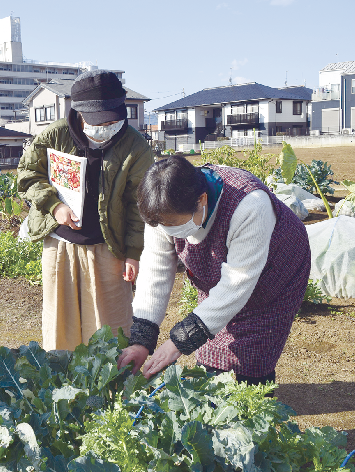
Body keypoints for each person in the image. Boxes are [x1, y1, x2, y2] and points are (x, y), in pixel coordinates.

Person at [117, 156, 310, 386]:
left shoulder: (250, 204)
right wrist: (141, 339)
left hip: (276, 269)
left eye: (175, 225)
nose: (170, 232)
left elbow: (236, 285)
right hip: (220, 270)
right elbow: (155, 269)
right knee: (211, 347)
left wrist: (177, 343)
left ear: (202, 200)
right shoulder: (161, 207)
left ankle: (255, 403)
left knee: (254, 352)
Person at [17, 69, 154, 351]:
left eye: (113, 119)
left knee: (110, 327)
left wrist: (133, 253)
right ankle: (63, 388)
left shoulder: (135, 145)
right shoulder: (55, 135)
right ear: (79, 112)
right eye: (97, 119)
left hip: (109, 246)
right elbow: (28, 175)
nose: (105, 125)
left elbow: (138, 206)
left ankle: (112, 389)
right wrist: (54, 207)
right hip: (60, 244)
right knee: (61, 323)